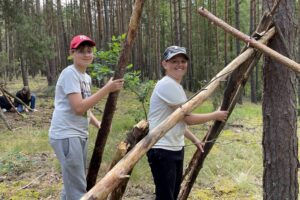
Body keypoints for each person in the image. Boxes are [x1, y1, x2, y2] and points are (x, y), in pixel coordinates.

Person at [147, 46, 228, 200]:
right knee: (166, 196)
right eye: (174, 61)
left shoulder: (176, 85)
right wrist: (214, 115)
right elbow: (188, 118)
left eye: (183, 61)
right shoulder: (167, 84)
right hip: (162, 149)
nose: (179, 64)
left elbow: (174, 119)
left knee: (171, 194)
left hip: (173, 147)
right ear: (164, 64)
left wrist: (194, 139)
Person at [49, 35, 124, 200]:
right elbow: (78, 107)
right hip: (66, 134)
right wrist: (107, 89)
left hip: (78, 134)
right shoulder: (70, 74)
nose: (86, 54)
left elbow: (85, 110)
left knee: (72, 183)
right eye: (81, 51)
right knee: (77, 188)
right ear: (72, 53)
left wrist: (98, 124)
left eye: (89, 51)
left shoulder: (85, 77)